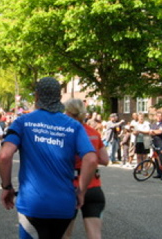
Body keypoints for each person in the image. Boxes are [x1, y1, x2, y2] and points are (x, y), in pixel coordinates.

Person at [0, 77, 97, 239]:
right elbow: (91, 159)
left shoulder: (23, 122)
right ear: (59, 97)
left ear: (36, 97)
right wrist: (81, 190)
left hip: (33, 203)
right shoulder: (74, 126)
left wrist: (7, 186)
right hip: (64, 204)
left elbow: (4, 155)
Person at [63, 98, 109, 239]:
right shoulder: (94, 132)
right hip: (94, 187)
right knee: (95, 235)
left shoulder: (65, 133)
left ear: (70, 113)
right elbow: (105, 160)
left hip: (71, 186)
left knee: (65, 234)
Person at [150, 111, 162, 180]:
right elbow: (150, 132)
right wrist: (154, 132)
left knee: (161, 158)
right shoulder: (153, 124)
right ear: (156, 117)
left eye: (160, 116)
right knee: (156, 158)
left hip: (161, 143)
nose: (159, 117)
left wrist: (154, 131)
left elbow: (160, 131)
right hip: (155, 143)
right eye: (158, 116)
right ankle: (159, 173)